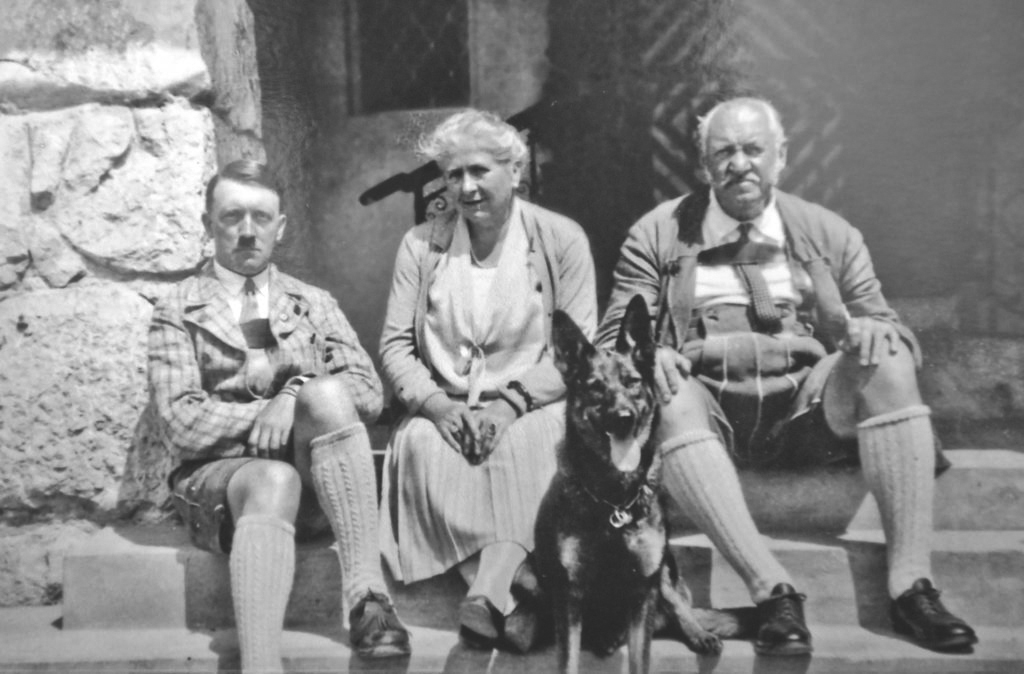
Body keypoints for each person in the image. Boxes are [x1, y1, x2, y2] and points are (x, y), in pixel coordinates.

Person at [597, 96, 978, 654]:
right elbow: (614, 337)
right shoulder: (658, 232)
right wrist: (646, 355)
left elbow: (884, 321)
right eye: (723, 152)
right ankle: (772, 591)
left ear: (781, 157)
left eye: (754, 150)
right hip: (708, 408)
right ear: (703, 165)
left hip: (808, 408)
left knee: (888, 356)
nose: (740, 164)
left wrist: (871, 331)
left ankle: (911, 587)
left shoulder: (828, 231)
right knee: (666, 390)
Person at [148, 160, 410, 672]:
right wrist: (262, 417)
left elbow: (368, 393)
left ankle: (368, 597)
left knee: (327, 393)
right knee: (273, 478)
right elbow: (180, 422)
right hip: (223, 488)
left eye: (261, 218)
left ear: (281, 227)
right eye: (232, 216)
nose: (248, 231)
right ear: (207, 224)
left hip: (318, 482)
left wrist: (293, 396)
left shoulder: (313, 302)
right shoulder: (177, 308)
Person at [378, 109, 597, 651]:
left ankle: (490, 589)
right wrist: (436, 406)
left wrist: (509, 405)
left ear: (515, 171)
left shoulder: (561, 239)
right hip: (444, 404)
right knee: (422, 446)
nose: (466, 187)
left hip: (532, 403)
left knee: (536, 444)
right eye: (453, 175)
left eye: (480, 170)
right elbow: (395, 347)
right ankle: (517, 594)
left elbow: (575, 353)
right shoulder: (421, 245)